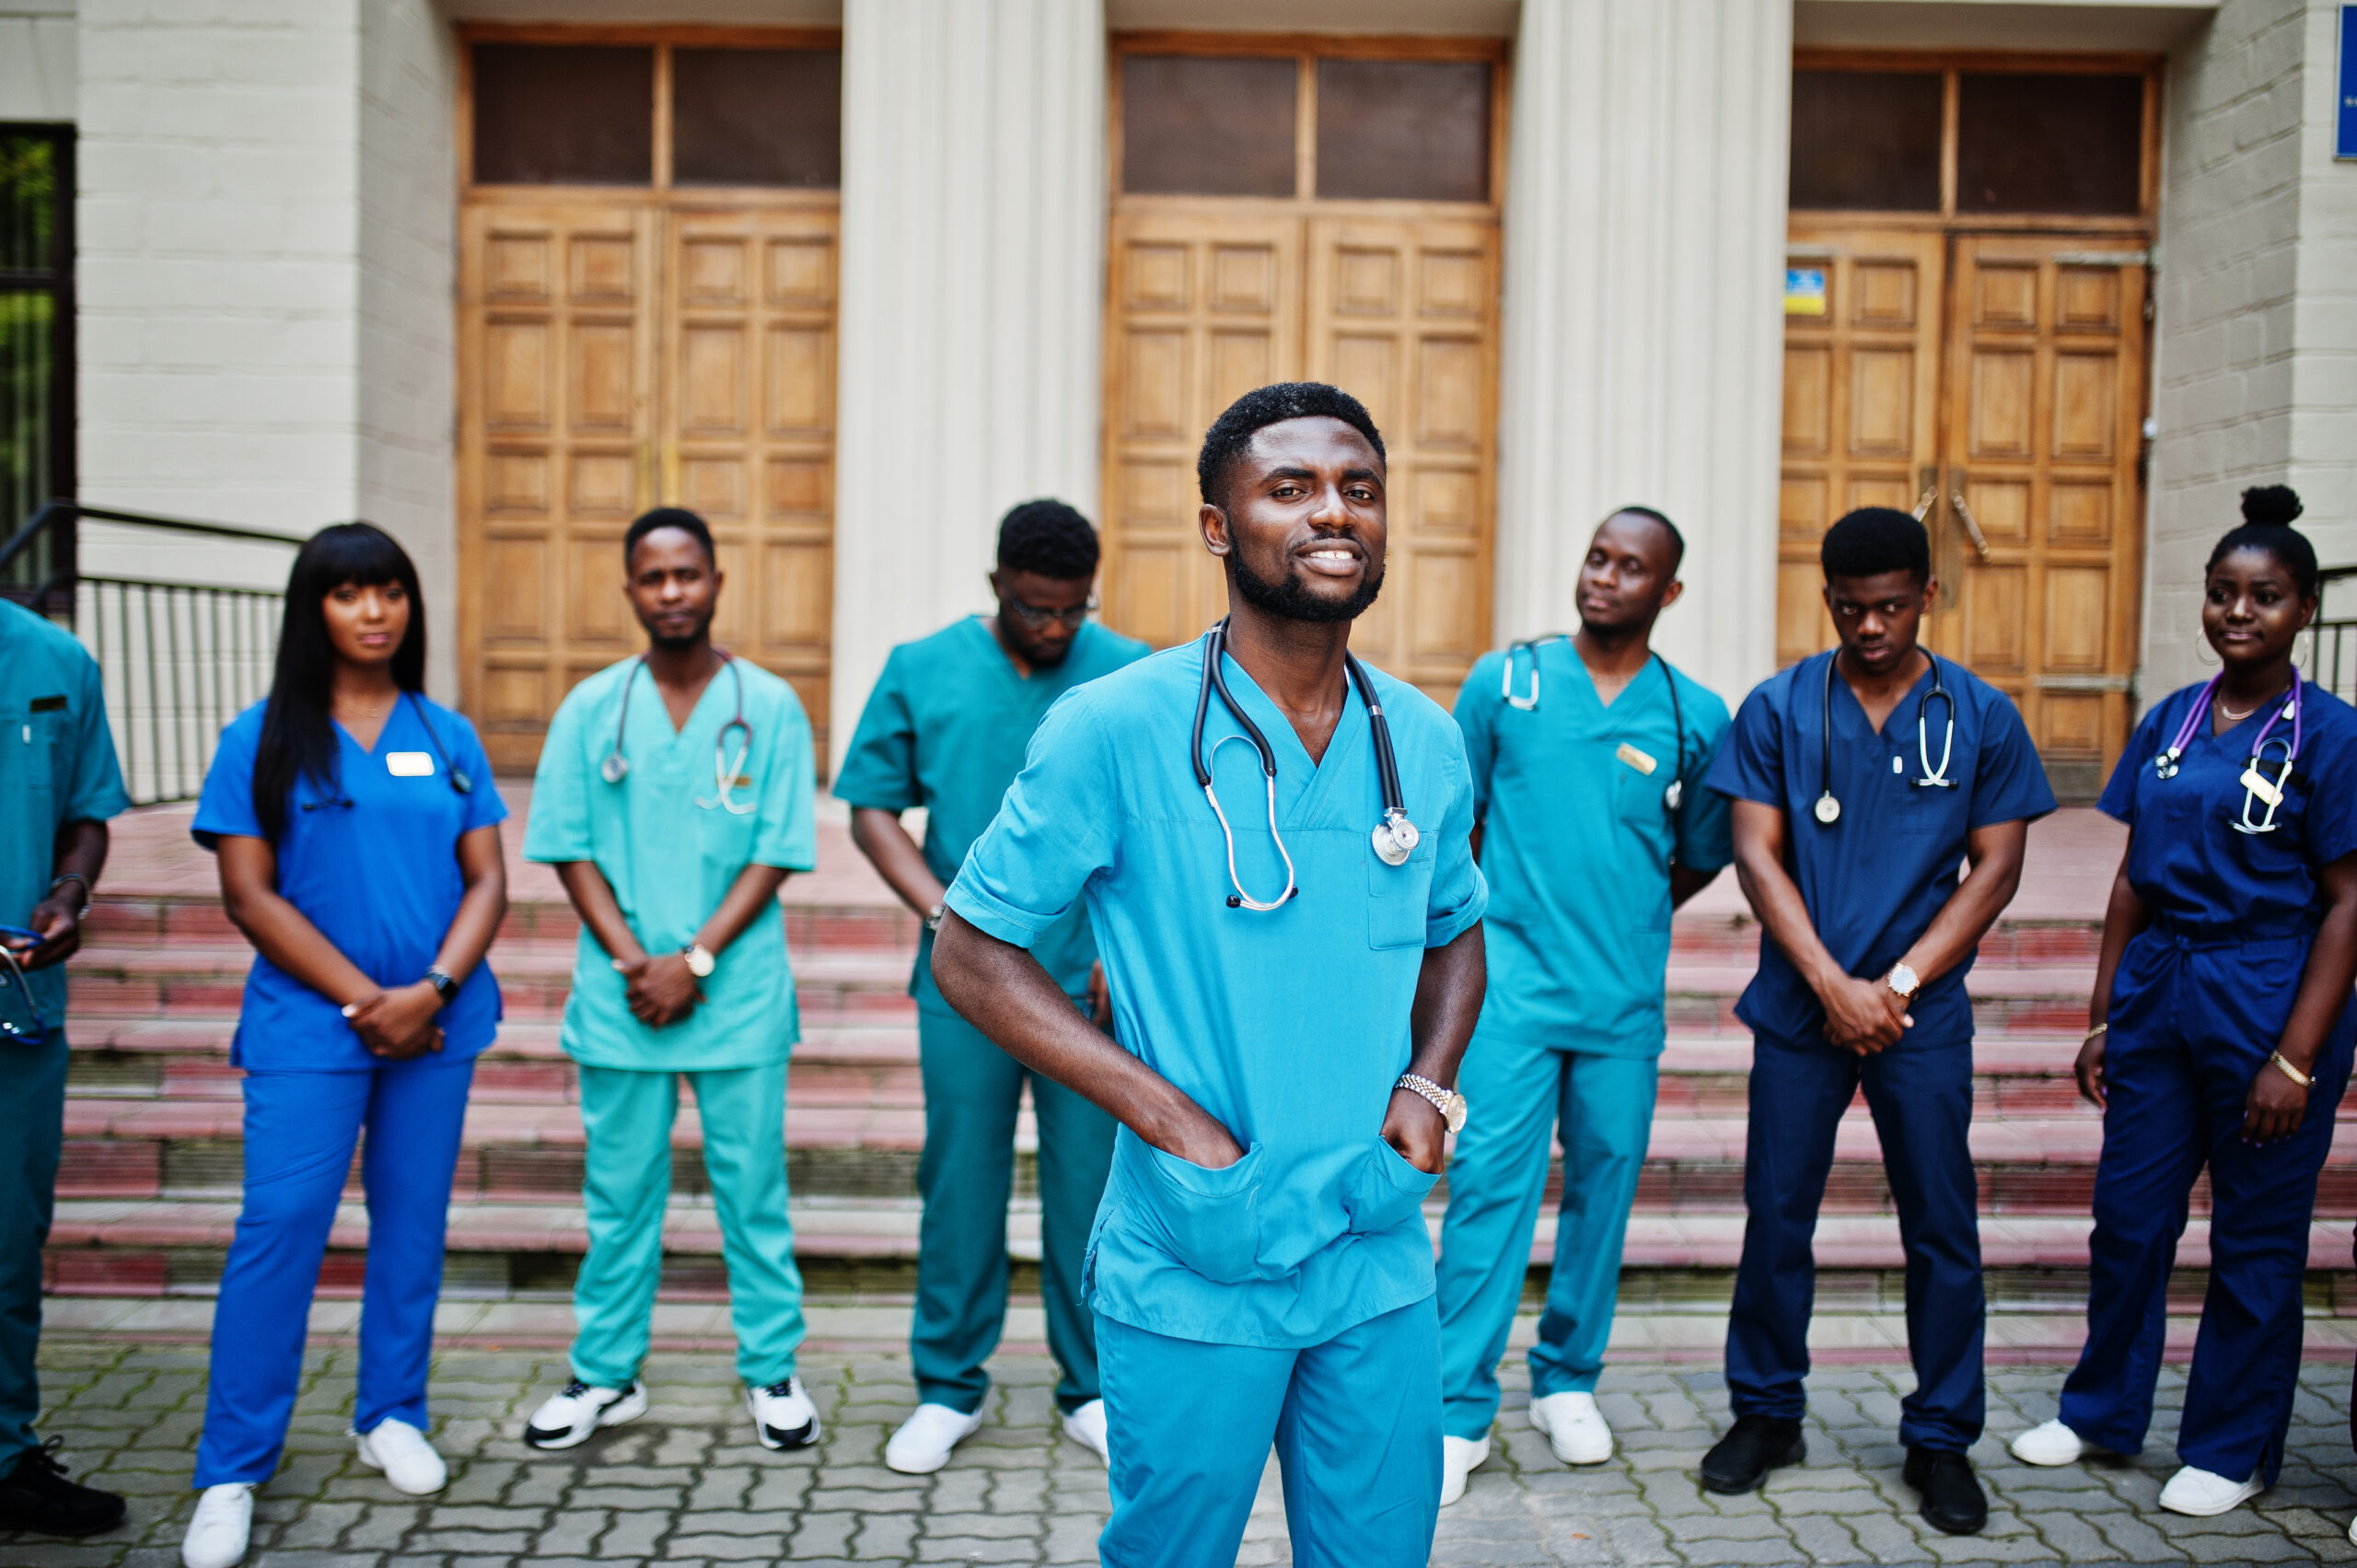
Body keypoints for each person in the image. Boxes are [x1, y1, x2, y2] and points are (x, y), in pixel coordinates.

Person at [931, 382, 1488, 1568]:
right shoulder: (1116, 727)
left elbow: (1455, 929)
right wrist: (1168, 1116)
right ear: (1216, 526)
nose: (1333, 512)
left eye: (1358, 488)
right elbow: (971, 951)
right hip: (1199, 1248)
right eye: (1289, 489)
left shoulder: (1423, 742)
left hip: (1373, 1236)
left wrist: (1429, 1088)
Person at [1698, 506, 2054, 1536]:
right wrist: (1832, 985)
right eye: (1850, 609)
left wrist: (1892, 984)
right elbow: (1755, 853)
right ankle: (1766, 1412)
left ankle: (1940, 1435)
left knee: (1941, 1225)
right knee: (1778, 1215)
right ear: (1827, 601)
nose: (1869, 628)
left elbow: (1997, 867)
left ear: (1928, 597)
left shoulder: (1978, 714)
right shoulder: (1778, 707)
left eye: (1891, 607)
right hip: (1802, 1006)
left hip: (1920, 1014)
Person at [2006, 487, 2357, 1520]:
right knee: (2128, 1217)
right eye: (2220, 593)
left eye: (2264, 595)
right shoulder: (2172, 717)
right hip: (2162, 986)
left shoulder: (2331, 734)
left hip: (2268, 987)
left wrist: (2294, 1056)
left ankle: (2230, 1444)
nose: (2237, 611)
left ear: (2301, 609)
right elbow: (2131, 876)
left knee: (2254, 1237)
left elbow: (2347, 903)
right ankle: (2102, 1409)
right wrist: (2106, 1009)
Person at [179, 524, 509, 1568]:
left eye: (391, 591)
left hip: (438, 1020)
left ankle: (389, 1414)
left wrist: (433, 989)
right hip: (310, 1026)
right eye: (349, 593)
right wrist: (374, 999)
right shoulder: (262, 736)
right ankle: (231, 1468)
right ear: (311, 608)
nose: (375, 611)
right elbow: (247, 891)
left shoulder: (444, 731)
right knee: (280, 1226)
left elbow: (488, 877)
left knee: (411, 1221)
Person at [835, 500, 1148, 1473]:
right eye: (1033, 608)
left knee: (1090, 1188)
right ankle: (947, 1385)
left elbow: (1160, 825)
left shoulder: (1134, 672)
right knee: (959, 1180)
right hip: (965, 983)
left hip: (1086, 985)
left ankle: (1092, 1384)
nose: (1054, 627)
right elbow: (873, 810)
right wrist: (943, 916)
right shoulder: (921, 667)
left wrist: (1123, 951)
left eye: (1070, 611)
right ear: (996, 588)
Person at [1434, 506, 1734, 1504]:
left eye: (1630, 566)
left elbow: (1699, 853)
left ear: (1669, 592)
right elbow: (1456, 825)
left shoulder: (1693, 713)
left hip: (1618, 999)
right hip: (1510, 989)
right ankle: (1453, 1406)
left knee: (1603, 1191)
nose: (1604, 576)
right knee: (1487, 1188)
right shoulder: (1505, 682)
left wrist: (1626, 910)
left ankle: (1567, 1378)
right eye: (1596, 557)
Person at [518, 506, 821, 1457]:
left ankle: (771, 1368)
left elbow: (775, 850)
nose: (672, 592)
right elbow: (568, 848)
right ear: (631, 592)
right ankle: (606, 1371)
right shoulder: (590, 708)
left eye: (687, 574)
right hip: (623, 999)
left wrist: (691, 962)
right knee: (618, 1197)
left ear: (716, 581)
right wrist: (636, 962)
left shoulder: (766, 706)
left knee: (753, 1192)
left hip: (731, 998)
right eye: (652, 578)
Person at [0, 598, 132, 1540]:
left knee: (9, 1243)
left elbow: (86, 813)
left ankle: (5, 1455)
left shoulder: (53, 658)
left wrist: (67, 892)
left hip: (18, 1011)